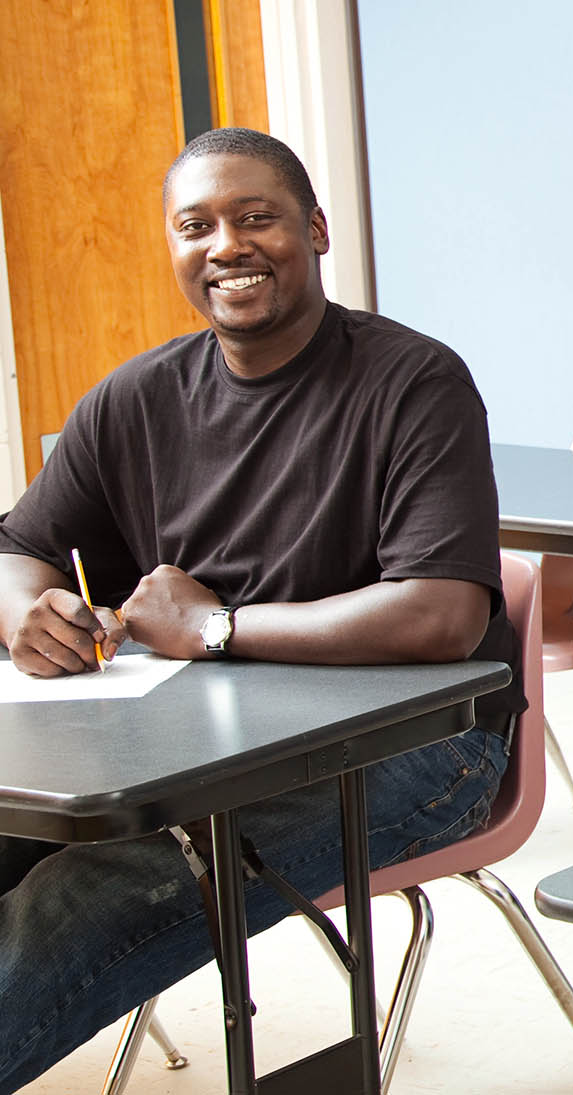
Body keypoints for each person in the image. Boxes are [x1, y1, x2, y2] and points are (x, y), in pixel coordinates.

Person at [0, 127, 520, 1088]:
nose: (225, 246)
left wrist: (215, 629)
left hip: (414, 744)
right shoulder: (136, 397)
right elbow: (17, 547)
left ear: (316, 230)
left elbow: (442, 614)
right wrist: (25, 613)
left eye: (255, 218)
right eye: (195, 226)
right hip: (195, 738)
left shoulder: (415, 382)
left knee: (84, 894)